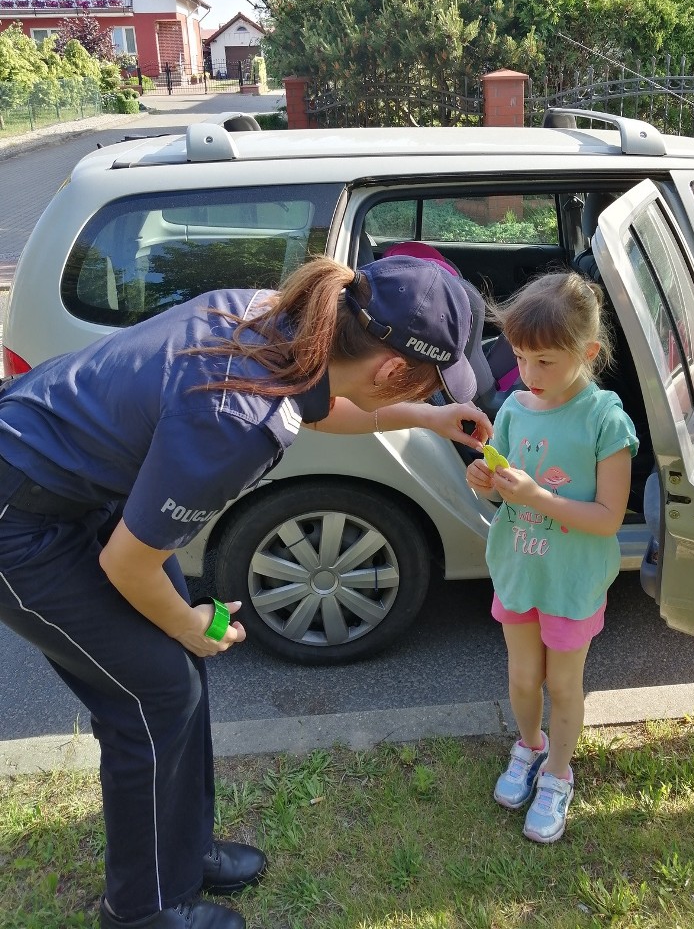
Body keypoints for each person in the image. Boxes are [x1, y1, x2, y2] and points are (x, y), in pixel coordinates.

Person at [0, 254, 490, 929]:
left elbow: (317, 410)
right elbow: (129, 567)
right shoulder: (236, 420)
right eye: (436, 386)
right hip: (20, 519)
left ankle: (180, 850)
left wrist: (425, 420)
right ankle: (143, 912)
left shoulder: (289, 319)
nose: (438, 394)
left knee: (175, 684)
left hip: (81, 489)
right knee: (153, 693)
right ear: (392, 369)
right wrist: (187, 622)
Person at [465, 271, 637, 844]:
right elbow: (503, 485)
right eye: (520, 358)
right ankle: (529, 747)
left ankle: (558, 774)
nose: (529, 375)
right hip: (519, 568)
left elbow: (609, 517)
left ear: (587, 353)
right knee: (522, 675)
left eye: (545, 361)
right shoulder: (515, 407)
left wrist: (535, 496)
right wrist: (484, 481)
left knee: (563, 685)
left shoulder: (604, 419)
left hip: (570, 579)